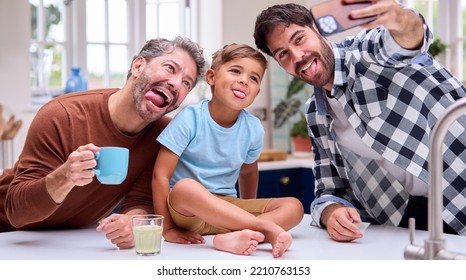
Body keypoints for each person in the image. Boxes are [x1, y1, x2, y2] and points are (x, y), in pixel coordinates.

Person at [254, 0, 466, 242]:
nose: (297, 56)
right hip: (426, 205)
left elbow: (413, 38)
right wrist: (331, 212)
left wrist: (398, 17)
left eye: (299, 39)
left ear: (317, 29)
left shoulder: (366, 52)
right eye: (283, 54)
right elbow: (328, 190)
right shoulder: (316, 113)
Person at [0, 37, 206, 249]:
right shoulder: (61, 115)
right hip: (9, 234)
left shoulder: (163, 134)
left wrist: (131, 222)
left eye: (186, 83)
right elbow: (16, 213)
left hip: (68, 242)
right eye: (170, 68)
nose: (175, 84)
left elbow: (140, 199)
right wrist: (66, 176)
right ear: (138, 66)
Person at [152, 43, 304, 258]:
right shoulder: (190, 118)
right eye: (235, 71)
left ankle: (236, 235)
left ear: (256, 92)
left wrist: (246, 206)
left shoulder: (252, 128)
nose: (244, 80)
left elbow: (248, 172)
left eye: (253, 78)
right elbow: (161, 175)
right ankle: (260, 229)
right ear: (212, 78)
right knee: (185, 188)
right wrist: (166, 229)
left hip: (228, 210)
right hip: (188, 210)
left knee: (294, 206)